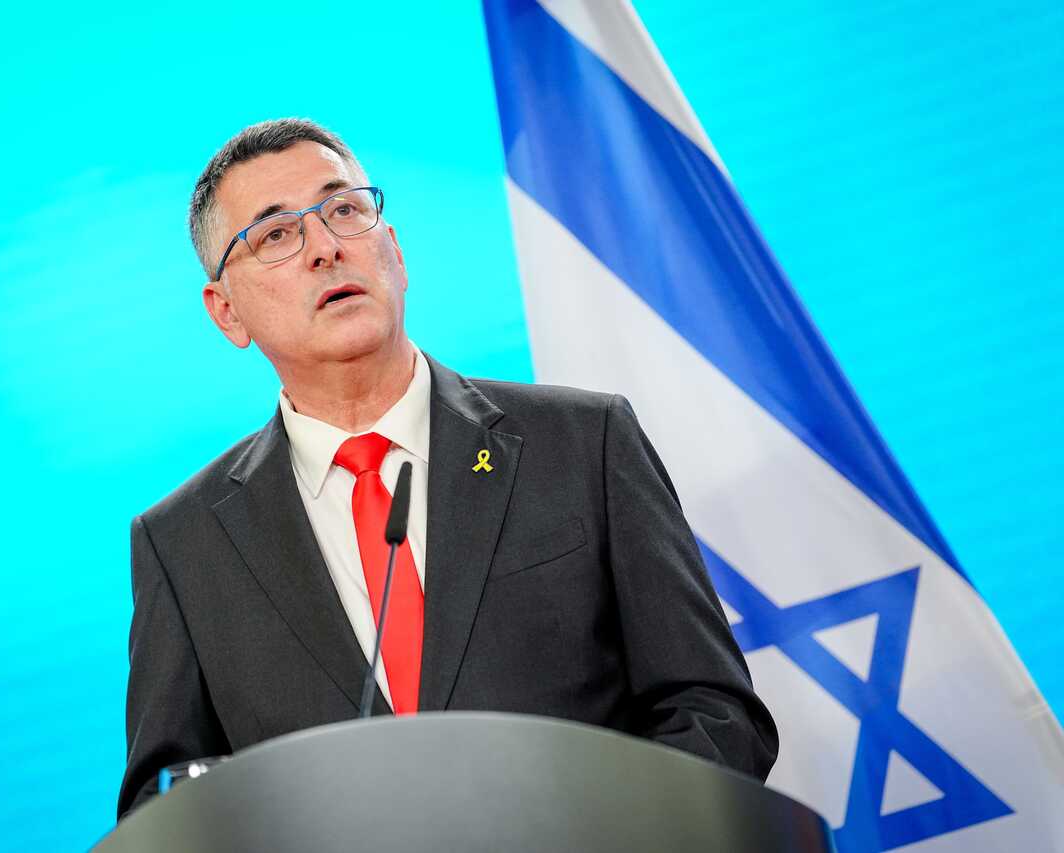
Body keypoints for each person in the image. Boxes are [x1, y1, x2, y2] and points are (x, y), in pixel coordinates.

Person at [118, 118, 777, 819]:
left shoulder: (585, 443)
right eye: (277, 234)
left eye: (344, 210)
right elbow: (165, 809)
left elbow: (714, 713)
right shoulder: (184, 544)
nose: (325, 248)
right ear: (227, 313)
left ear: (394, 252)